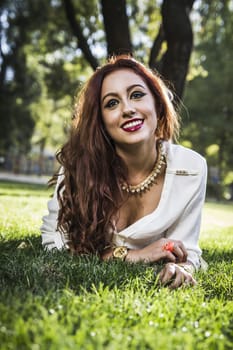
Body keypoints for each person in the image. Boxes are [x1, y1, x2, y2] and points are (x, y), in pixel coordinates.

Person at [41, 55, 207, 289]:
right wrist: (129, 255)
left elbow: (187, 250)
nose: (128, 109)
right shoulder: (79, 165)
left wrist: (182, 267)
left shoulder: (190, 168)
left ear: (157, 104)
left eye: (137, 95)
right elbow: (56, 242)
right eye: (111, 103)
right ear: (100, 121)